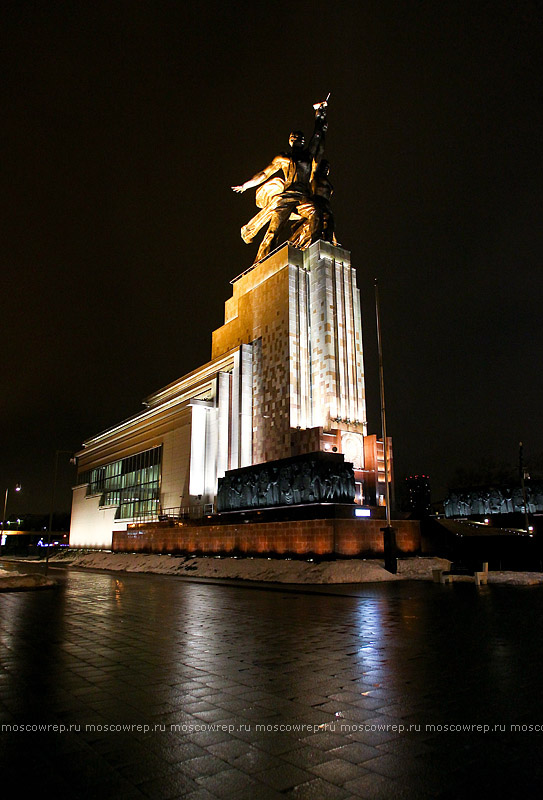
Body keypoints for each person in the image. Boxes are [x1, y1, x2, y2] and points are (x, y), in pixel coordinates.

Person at [232, 100, 328, 262]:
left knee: (316, 212)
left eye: (300, 137)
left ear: (303, 141)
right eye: (294, 137)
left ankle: (316, 246)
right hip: (287, 197)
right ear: (290, 141)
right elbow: (264, 173)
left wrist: (320, 113)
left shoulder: (307, 155)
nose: (297, 139)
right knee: (273, 232)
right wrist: (245, 185)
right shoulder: (283, 158)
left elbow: (318, 137)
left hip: (303, 197)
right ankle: (260, 263)